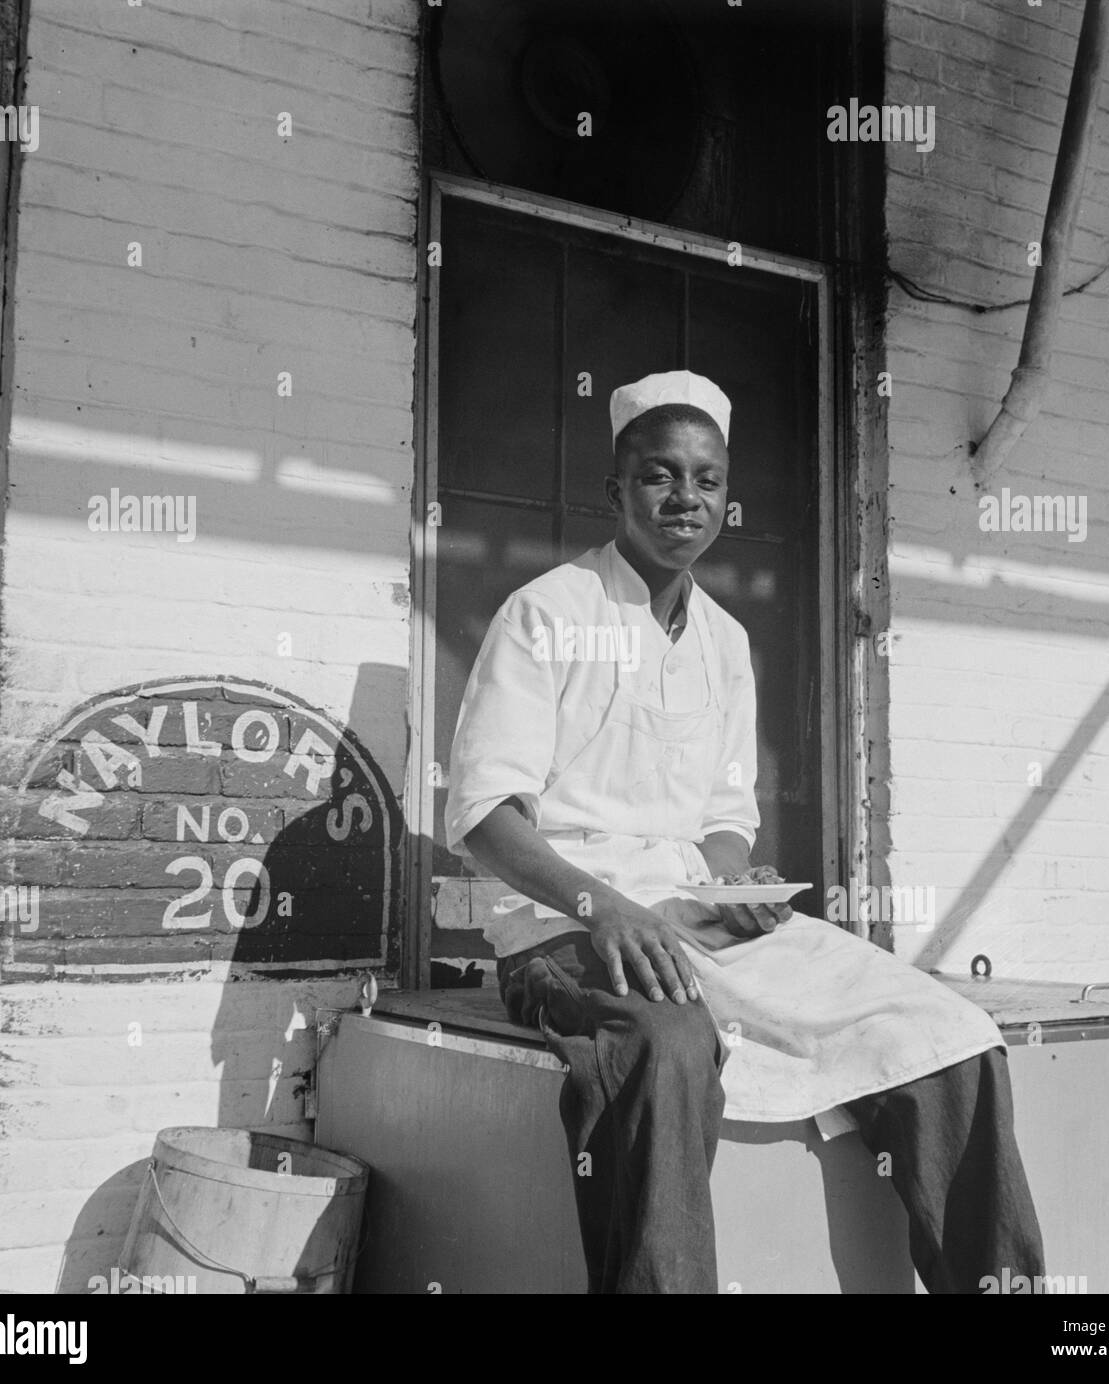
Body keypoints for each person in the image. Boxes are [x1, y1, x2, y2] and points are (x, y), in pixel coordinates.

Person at [445, 369, 1044, 1294]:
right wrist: (602, 907)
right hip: (565, 929)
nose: (685, 498)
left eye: (707, 479)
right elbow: (485, 816)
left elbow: (725, 821)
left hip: (698, 925)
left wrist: (731, 890)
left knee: (945, 1028)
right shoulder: (546, 613)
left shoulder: (726, 641)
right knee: (668, 1045)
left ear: (726, 497)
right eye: (658, 475)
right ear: (616, 491)